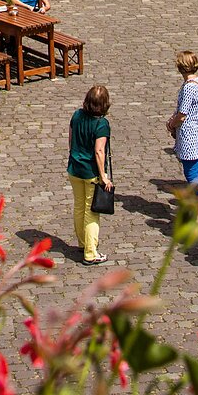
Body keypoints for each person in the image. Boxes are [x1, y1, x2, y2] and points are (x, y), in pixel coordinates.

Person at [67, 84, 112, 265]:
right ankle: (91, 253)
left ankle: (82, 242)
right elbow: (99, 151)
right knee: (91, 212)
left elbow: (70, 141)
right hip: (90, 172)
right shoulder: (101, 124)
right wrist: (103, 176)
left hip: (74, 168)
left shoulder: (77, 115)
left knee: (79, 207)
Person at [166, 51, 198, 194]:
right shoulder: (196, 82)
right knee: (195, 171)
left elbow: (182, 114)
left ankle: (197, 210)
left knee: (191, 172)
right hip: (196, 132)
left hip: (190, 135)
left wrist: (171, 124)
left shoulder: (189, 87)